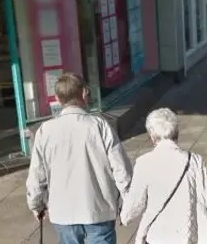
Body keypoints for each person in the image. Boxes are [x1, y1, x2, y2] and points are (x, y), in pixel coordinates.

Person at [26, 73, 132, 244]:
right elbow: (121, 169)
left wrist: (36, 205)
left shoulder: (45, 131)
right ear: (84, 94)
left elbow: (37, 176)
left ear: (58, 100)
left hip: (63, 212)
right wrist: (129, 201)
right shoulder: (100, 126)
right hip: (99, 209)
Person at [120, 108, 207, 244]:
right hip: (188, 234)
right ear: (177, 133)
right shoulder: (194, 161)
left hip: (157, 236)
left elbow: (134, 206)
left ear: (152, 137)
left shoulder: (143, 163)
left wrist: (124, 216)